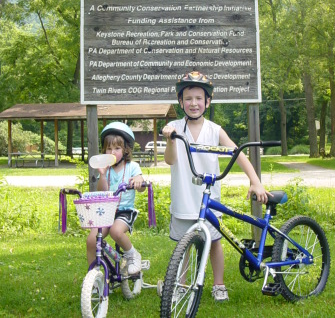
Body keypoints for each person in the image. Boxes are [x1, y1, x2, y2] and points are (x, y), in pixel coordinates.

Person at [162, 71, 271, 302]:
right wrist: (170, 139)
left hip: (208, 197)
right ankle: (180, 285)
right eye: (188, 98)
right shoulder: (173, 127)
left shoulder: (214, 129)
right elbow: (170, 160)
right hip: (183, 198)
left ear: (207, 101)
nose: (193, 103)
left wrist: (255, 180)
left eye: (199, 98)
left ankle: (219, 284)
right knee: (184, 247)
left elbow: (237, 153)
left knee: (215, 243)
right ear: (181, 102)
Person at [86, 122, 145, 275]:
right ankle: (94, 274)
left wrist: (138, 180)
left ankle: (132, 254)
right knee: (92, 240)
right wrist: (103, 174)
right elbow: (102, 191)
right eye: (109, 148)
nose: (113, 152)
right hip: (107, 210)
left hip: (124, 212)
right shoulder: (106, 169)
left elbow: (142, 186)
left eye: (117, 148)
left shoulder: (132, 166)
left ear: (125, 149)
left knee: (116, 232)